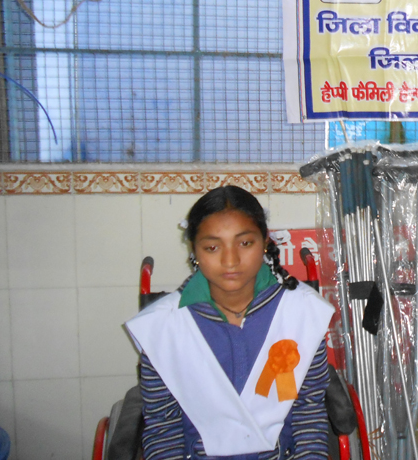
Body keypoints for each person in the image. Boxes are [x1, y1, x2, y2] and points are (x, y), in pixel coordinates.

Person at [125, 185, 334, 460]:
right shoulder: (164, 327)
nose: (230, 260)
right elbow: (163, 426)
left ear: (265, 242)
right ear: (194, 250)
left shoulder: (301, 314)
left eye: (245, 243)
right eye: (212, 247)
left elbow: (309, 412)